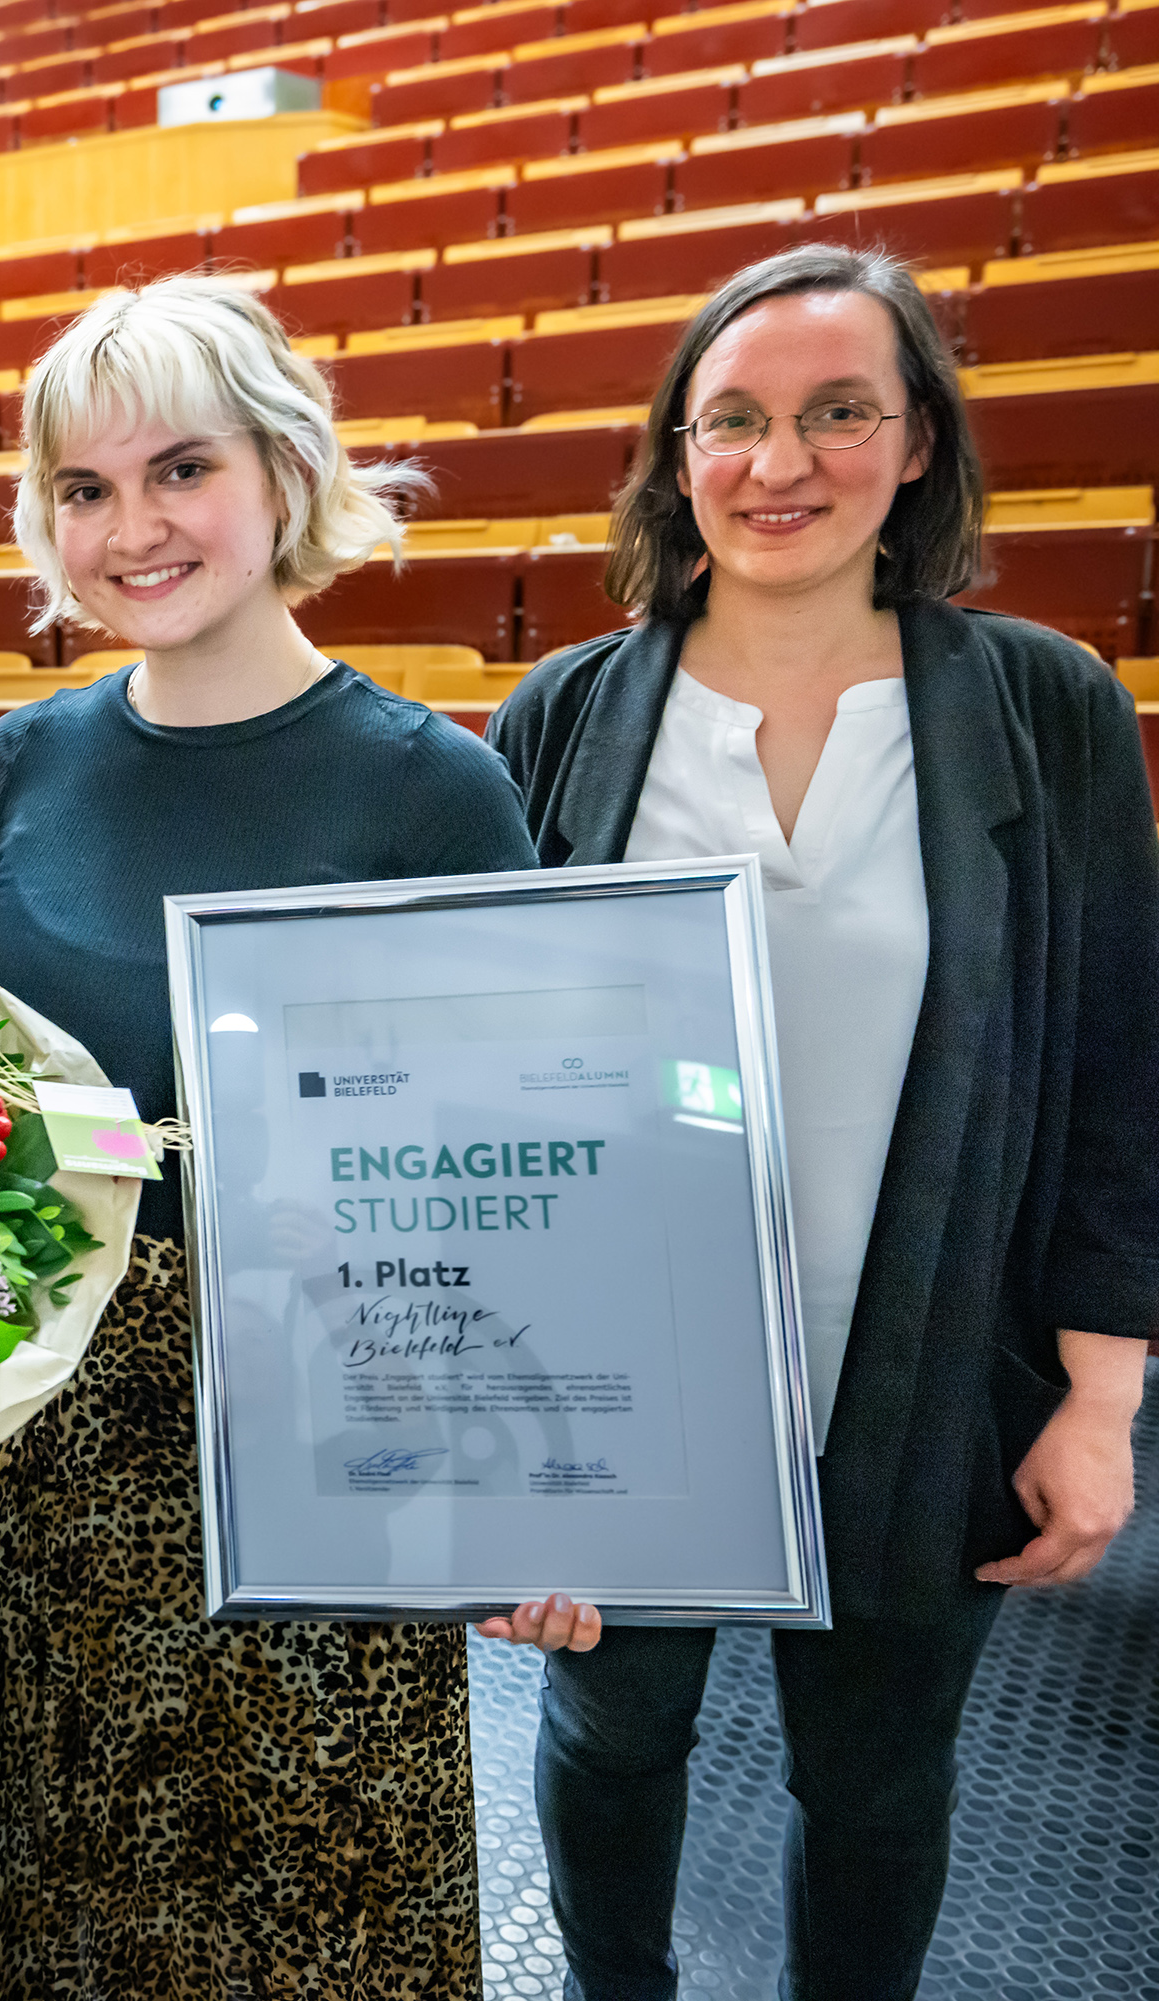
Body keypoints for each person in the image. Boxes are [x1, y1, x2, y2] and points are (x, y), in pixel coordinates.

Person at [482, 243, 1155, 2001]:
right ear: (676, 455)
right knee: (613, 1732)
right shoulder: (563, 717)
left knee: (873, 1779)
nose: (781, 464)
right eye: (736, 422)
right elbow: (485, 1090)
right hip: (620, 1379)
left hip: (926, 1362)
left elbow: (1114, 1067)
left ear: (918, 441)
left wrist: (1100, 1397)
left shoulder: (1044, 705)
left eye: (837, 413)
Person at [0, 280, 545, 1999]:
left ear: (285, 471)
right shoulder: (19, 761)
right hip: (52, 1463)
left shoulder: (434, 786)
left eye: (180, 468)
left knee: (325, 1915)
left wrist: (553, 1500)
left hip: (332, 1451)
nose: (132, 526)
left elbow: (517, 1181)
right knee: (72, 1905)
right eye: (83, 488)